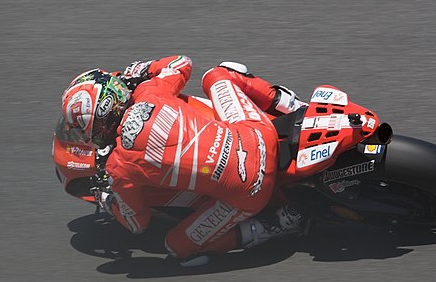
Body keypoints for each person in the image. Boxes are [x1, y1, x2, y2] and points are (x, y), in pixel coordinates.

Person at [60, 55, 308, 267]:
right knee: (218, 74)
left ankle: (274, 224)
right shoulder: (150, 92)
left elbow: (138, 224)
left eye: (83, 130)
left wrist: (108, 200)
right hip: (259, 132)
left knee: (178, 247)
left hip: (252, 191)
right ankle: (293, 106)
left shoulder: (118, 167)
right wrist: (139, 71)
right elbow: (181, 62)